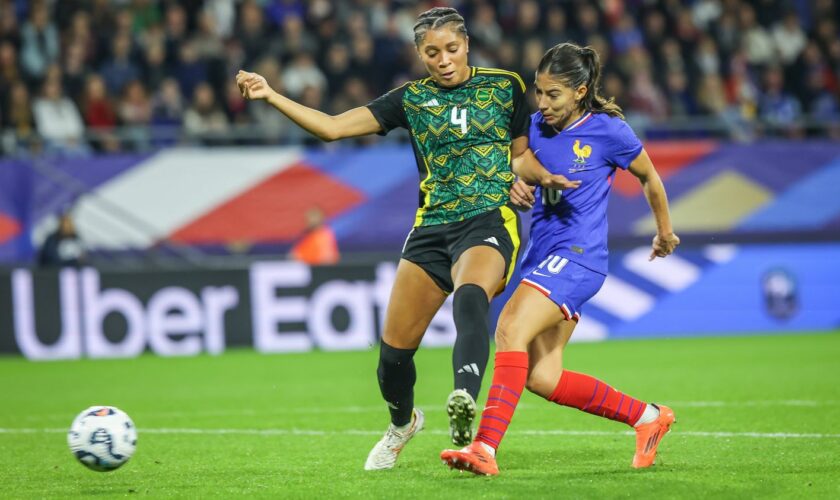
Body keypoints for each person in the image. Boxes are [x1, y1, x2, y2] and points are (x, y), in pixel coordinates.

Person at [237, 7, 572, 470]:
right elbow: (333, 128)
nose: (443, 60)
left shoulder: (505, 86)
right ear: (419, 54)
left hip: (488, 220)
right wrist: (272, 95)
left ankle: (463, 401)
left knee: (471, 298)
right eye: (432, 52)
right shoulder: (410, 100)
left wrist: (538, 177)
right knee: (393, 359)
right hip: (430, 231)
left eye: (451, 49)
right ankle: (402, 423)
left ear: (467, 45)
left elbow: (520, 156)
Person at [440, 42, 681, 476]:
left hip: (579, 257)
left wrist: (664, 231)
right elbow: (517, 168)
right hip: (542, 257)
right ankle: (648, 417)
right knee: (542, 377)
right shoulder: (532, 128)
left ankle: (484, 448)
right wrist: (516, 186)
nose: (543, 103)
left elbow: (649, 176)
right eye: (538, 92)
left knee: (509, 326)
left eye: (554, 95)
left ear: (580, 91)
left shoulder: (608, 131)